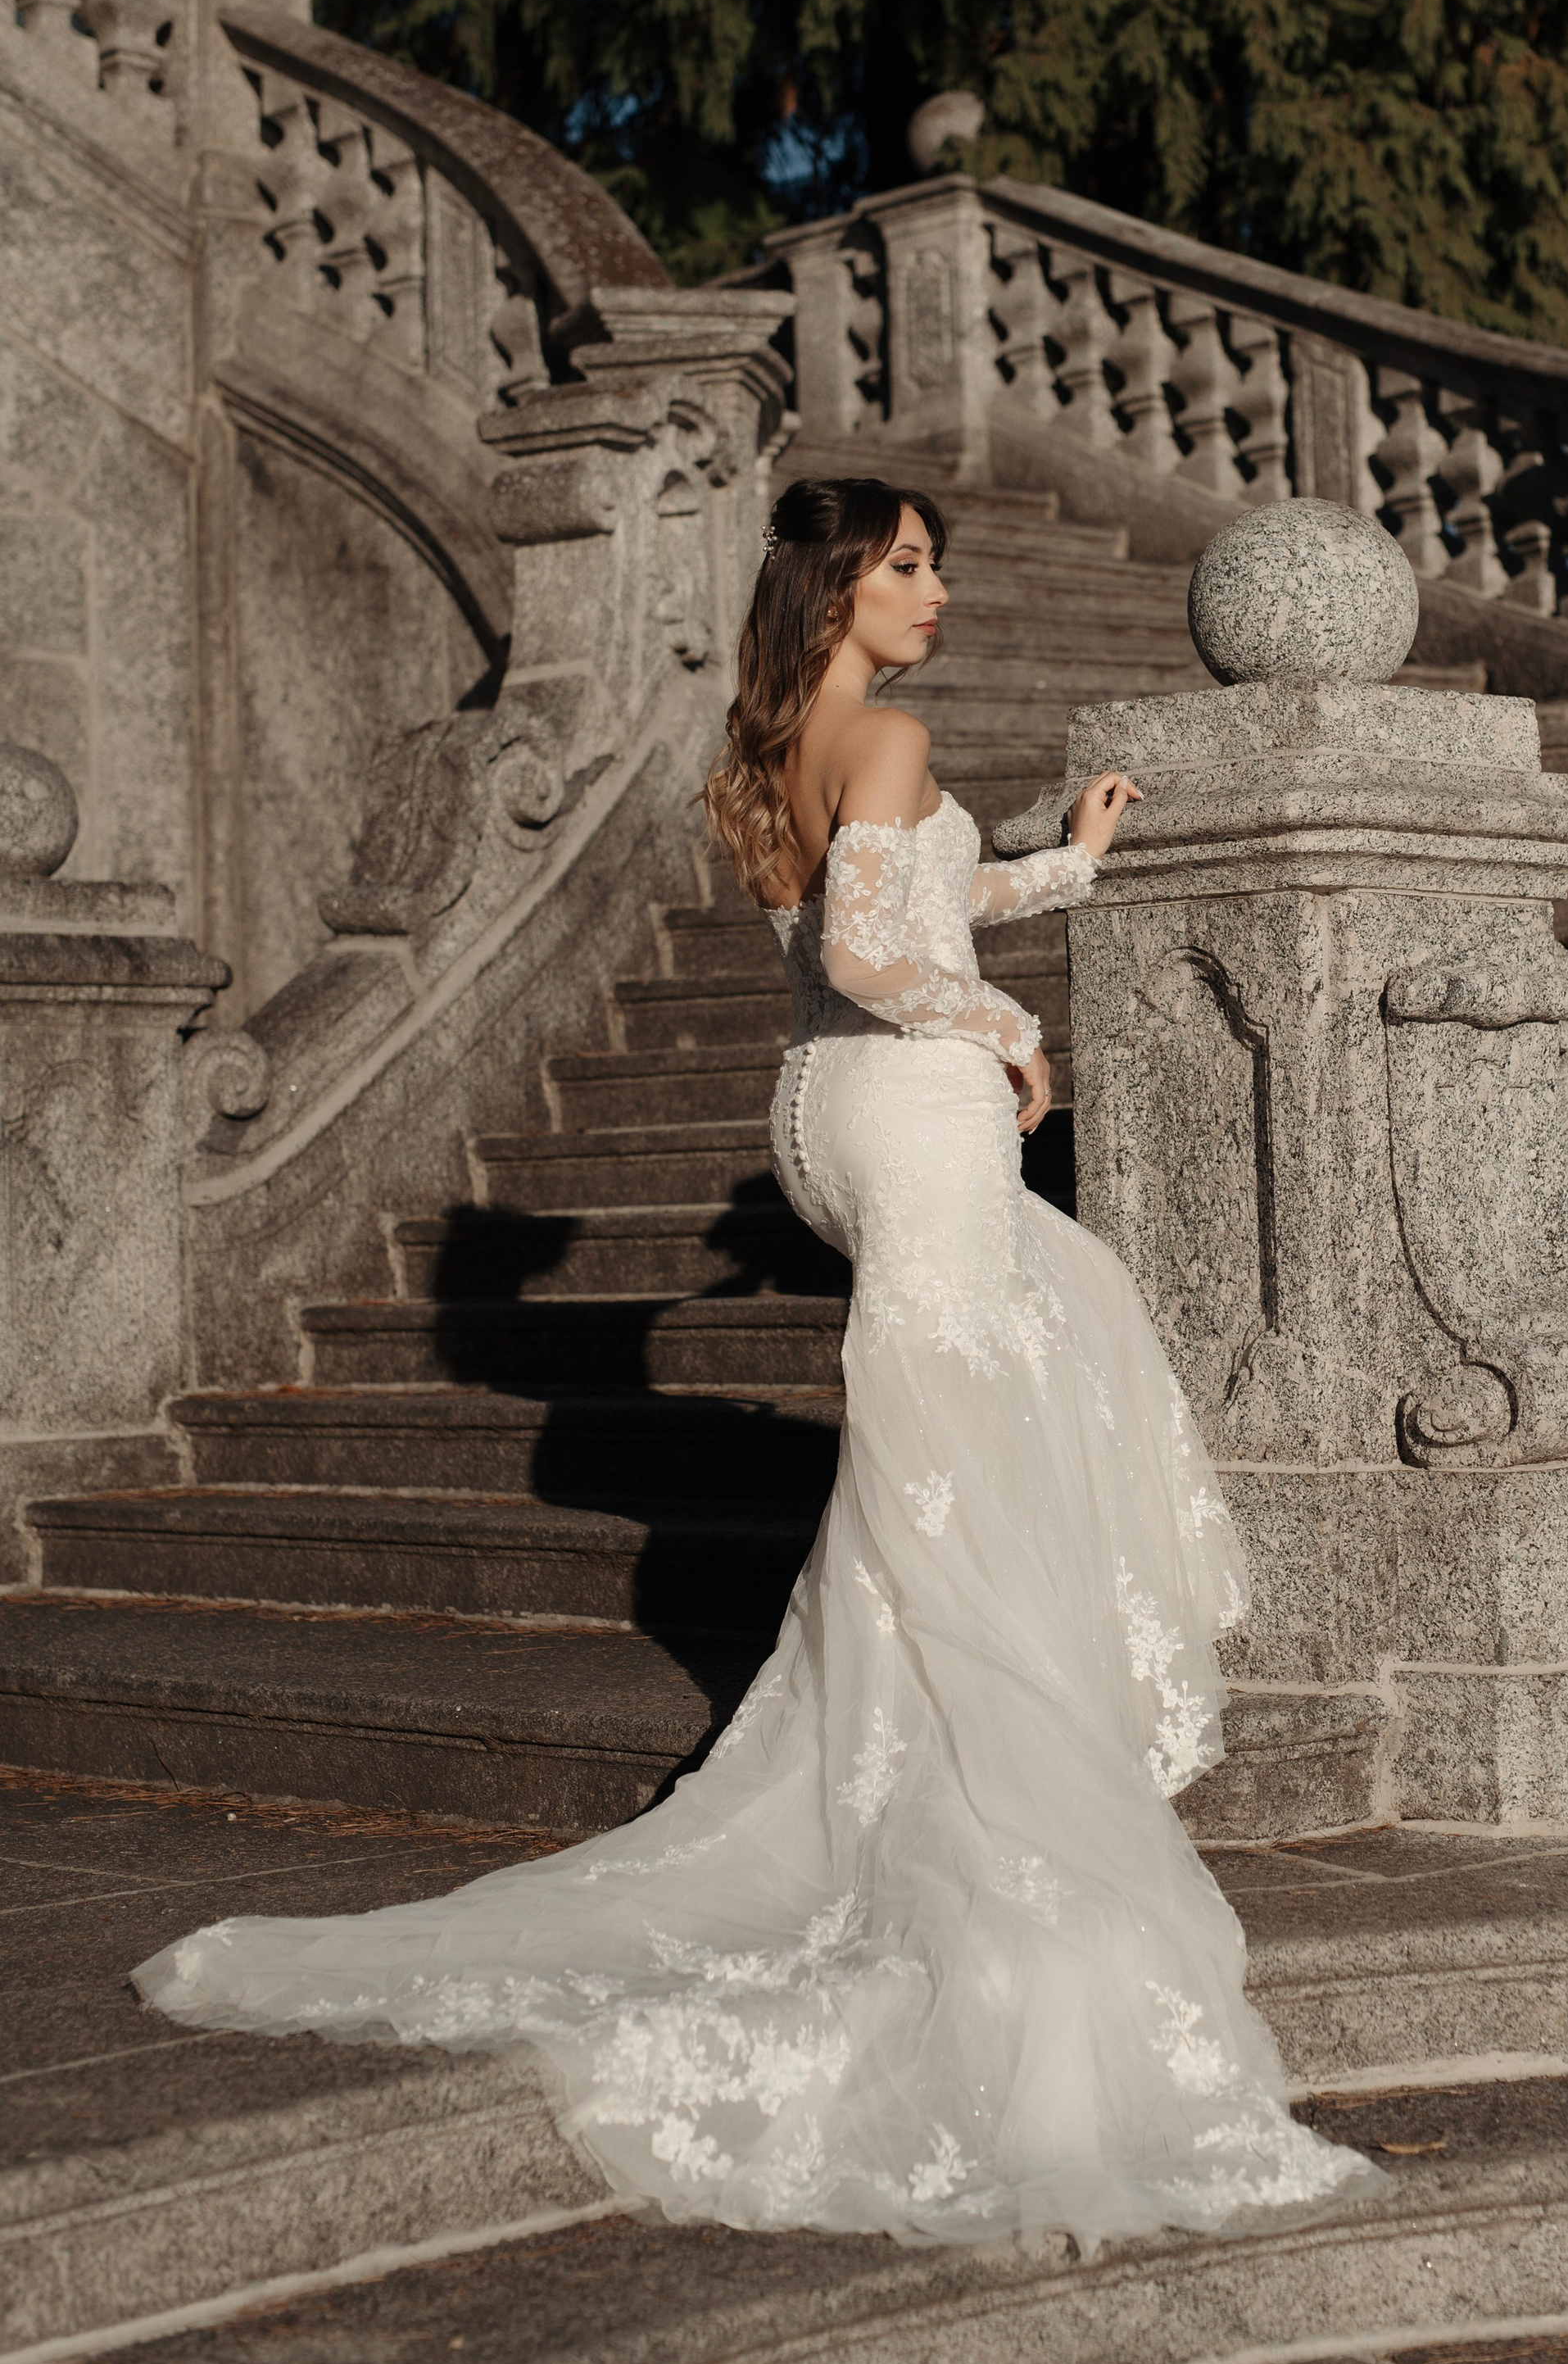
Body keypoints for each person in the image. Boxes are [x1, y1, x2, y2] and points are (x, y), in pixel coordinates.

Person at [134, 476, 1379, 2247]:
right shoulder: (886, 733)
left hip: (826, 1109)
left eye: (932, 561)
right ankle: (1001, 1775)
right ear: (837, 586)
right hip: (904, 1103)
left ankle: (947, 1725)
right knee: (988, 1397)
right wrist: (1010, 1024)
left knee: (1005, 1369)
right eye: (905, 565)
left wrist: (1068, 863)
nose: (934, 588)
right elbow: (882, 957)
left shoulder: (796, 736)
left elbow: (898, 916)